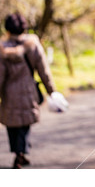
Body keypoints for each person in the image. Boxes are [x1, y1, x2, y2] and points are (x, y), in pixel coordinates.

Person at [0, 13, 55, 169]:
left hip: (9, 93)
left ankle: (18, 153)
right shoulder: (33, 44)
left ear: (7, 29)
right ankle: (21, 153)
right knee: (24, 123)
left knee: (12, 123)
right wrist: (51, 91)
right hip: (28, 90)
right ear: (24, 28)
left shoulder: (2, 49)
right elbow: (43, 70)